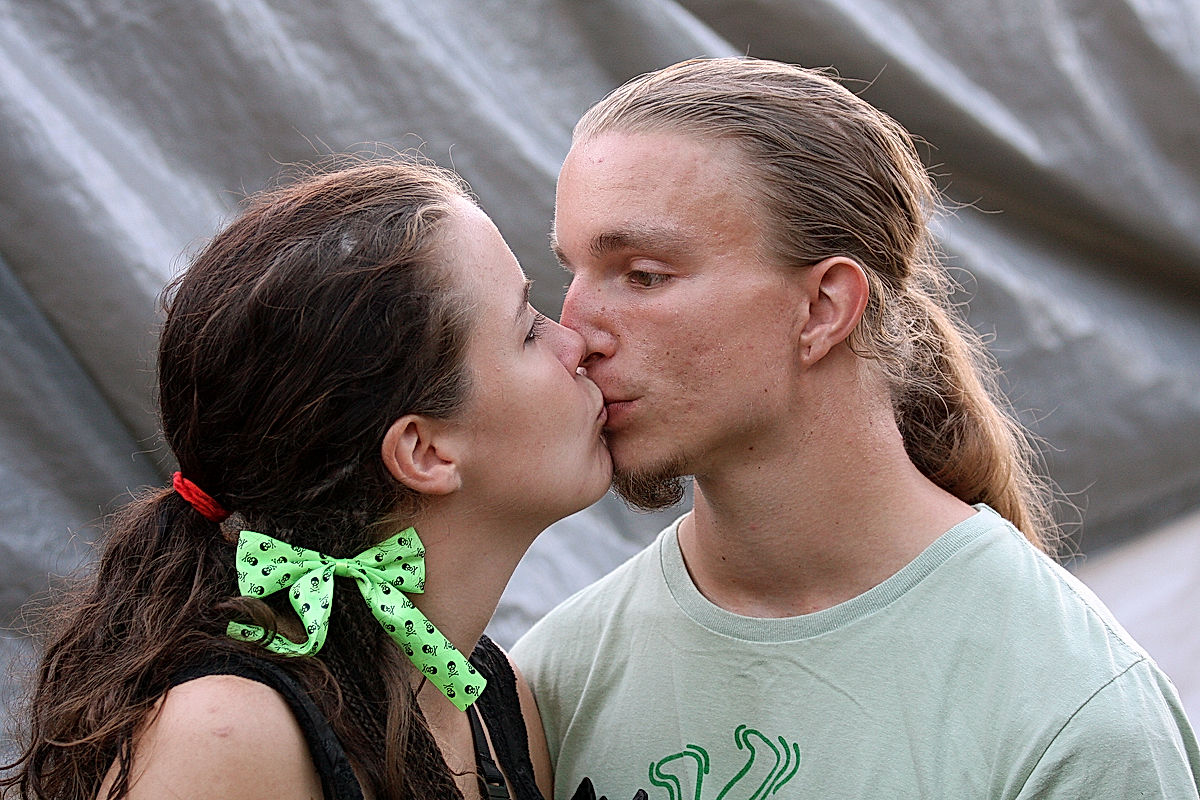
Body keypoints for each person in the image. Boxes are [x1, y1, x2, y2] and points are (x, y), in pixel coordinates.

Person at [511, 57, 1200, 799]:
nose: (574, 333)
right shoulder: (554, 681)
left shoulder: (1078, 719)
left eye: (644, 275)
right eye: (572, 272)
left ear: (824, 308)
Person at [1, 158, 613, 800]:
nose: (575, 343)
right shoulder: (228, 734)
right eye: (527, 328)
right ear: (425, 452)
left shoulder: (497, 703)